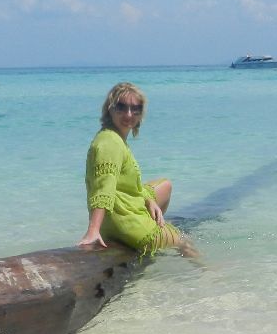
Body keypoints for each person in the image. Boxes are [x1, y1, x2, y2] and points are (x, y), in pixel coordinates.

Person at [78, 82, 193, 256]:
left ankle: (153, 222)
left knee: (165, 185)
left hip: (120, 213)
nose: (129, 114)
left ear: (141, 114)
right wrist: (93, 230)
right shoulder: (110, 143)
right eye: (121, 107)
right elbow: (104, 188)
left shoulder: (112, 137)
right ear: (109, 109)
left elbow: (125, 186)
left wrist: (148, 201)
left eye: (135, 109)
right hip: (125, 225)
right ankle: (207, 273)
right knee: (184, 241)